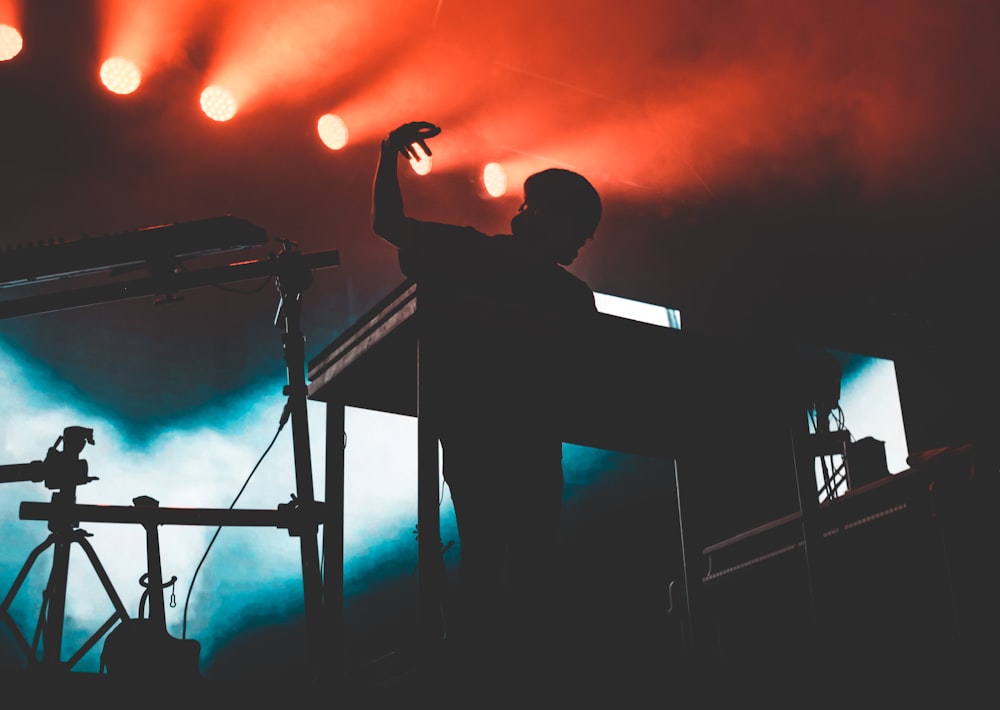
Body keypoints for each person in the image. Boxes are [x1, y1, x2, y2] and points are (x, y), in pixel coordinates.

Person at [372, 121, 602, 688]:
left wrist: (386, 158)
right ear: (544, 217)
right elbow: (595, 379)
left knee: (491, 565)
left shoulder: (478, 257)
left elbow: (388, 226)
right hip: (520, 447)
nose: (581, 245)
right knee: (527, 573)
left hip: (482, 441)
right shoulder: (566, 294)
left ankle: (482, 674)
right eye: (579, 229)